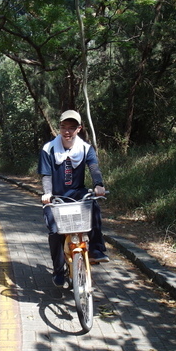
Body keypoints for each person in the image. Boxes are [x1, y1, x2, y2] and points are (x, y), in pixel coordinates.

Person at [38, 110, 109, 287]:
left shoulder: (85, 148)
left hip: (78, 194)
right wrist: (47, 193)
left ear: (79, 129)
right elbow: (46, 175)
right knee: (55, 231)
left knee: (93, 206)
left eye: (71, 128)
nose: (67, 132)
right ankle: (58, 269)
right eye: (63, 127)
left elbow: (94, 167)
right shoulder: (49, 149)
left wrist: (98, 185)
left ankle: (96, 249)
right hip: (56, 197)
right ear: (59, 128)